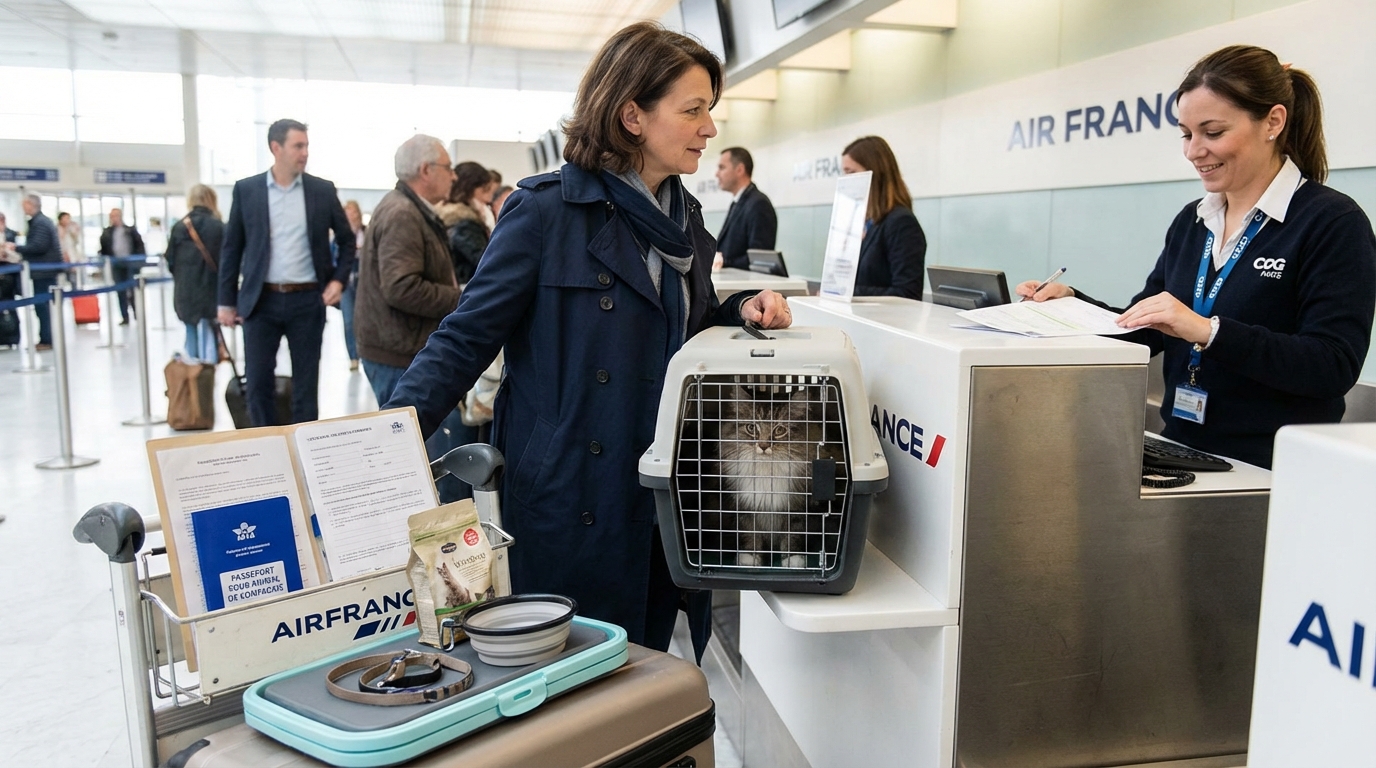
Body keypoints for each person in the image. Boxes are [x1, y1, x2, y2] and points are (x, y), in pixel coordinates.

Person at [383, 22, 792, 659]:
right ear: (632, 115)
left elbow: (679, 325)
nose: (710, 129)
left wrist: (740, 308)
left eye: (709, 110)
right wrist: (383, 448)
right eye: (692, 110)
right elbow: (464, 338)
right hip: (573, 494)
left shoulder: (683, 218)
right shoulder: (545, 212)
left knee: (645, 666)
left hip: (658, 492)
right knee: (569, 681)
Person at [1017, 45, 1376, 469]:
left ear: (1273, 122)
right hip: (1181, 450)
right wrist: (1073, 307)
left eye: (1213, 132)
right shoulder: (1193, 220)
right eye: (1187, 135)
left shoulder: (1332, 222)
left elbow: (1332, 365)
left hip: (1270, 468)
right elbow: (1149, 328)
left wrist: (1208, 331)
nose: (1193, 151)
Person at [355, 134, 473, 502]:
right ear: (425, 170)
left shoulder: (409, 209)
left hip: (400, 348)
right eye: (448, 168)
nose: (453, 176)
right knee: (423, 461)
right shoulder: (403, 214)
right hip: (399, 355)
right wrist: (462, 298)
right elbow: (401, 287)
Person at [218, 118, 355, 426]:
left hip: (307, 300)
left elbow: (347, 241)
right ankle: (265, 446)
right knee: (257, 384)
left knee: (306, 386)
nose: (304, 153)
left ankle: (306, 447)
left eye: (306, 146)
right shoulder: (247, 190)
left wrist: (338, 280)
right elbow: (232, 248)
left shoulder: (321, 190)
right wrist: (225, 302)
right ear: (276, 148)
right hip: (260, 301)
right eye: (298, 146)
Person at [840, 136, 927, 299]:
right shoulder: (865, 223)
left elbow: (908, 293)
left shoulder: (901, 223)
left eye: (851, 172)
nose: (846, 181)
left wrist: (848, 292)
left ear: (874, 173)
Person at [167, 185, 225, 362]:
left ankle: (193, 368)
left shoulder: (179, 227)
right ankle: (209, 370)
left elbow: (170, 260)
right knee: (210, 329)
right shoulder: (219, 227)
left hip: (185, 289)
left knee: (190, 329)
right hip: (211, 287)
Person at [6, 195, 63, 350]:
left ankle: (46, 339)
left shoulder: (40, 223)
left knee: (42, 306)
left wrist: (16, 248)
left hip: (44, 271)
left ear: (31, 205)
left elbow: (38, 246)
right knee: (44, 306)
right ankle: (46, 338)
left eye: (24, 205)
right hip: (45, 270)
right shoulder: (41, 221)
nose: (23, 209)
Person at [713, 146, 777, 270]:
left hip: (745, 280)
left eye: (722, 167)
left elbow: (759, 259)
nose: (717, 174)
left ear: (740, 170)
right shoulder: (738, 202)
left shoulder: (759, 204)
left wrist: (725, 262)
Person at [435, 162, 494, 284]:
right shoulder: (464, 224)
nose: (488, 199)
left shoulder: (447, 217)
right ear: (470, 189)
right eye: (484, 190)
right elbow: (486, 262)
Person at [98, 208, 146, 325]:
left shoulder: (130, 231)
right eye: (112, 216)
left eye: (116, 216)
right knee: (120, 291)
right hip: (116, 265)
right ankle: (125, 316)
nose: (114, 219)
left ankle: (137, 314)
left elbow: (139, 246)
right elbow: (104, 249)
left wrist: (139, 263)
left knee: (132, 291)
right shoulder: (107, 233)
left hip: (130, 264)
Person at [339, 200, 365, 372]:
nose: (351, 216)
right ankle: (353, 357)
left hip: (363, 282)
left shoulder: (367, 232)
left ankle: (364, 352)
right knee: (348, 320)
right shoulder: (340, 235)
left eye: (353, 212)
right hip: (346, 282)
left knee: (363, 320)